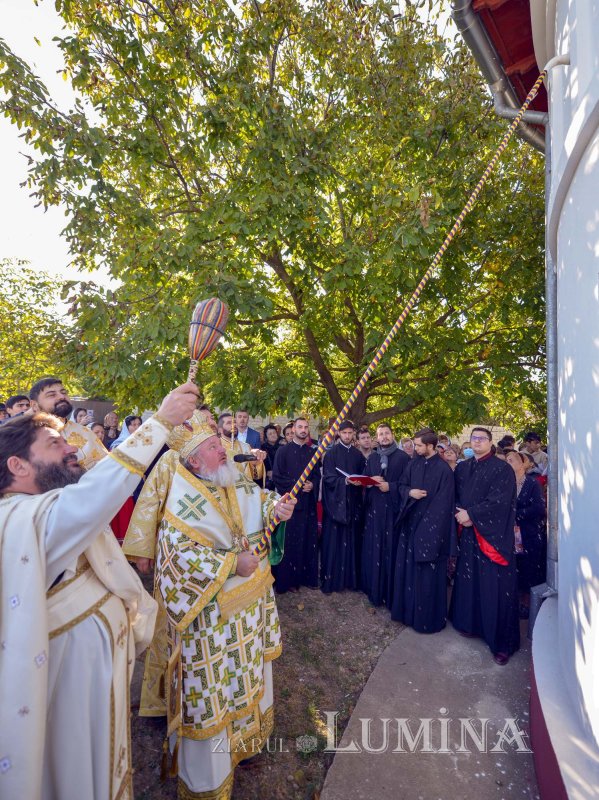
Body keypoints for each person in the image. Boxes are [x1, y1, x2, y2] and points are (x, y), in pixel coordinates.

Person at [0, 381, 198, 799]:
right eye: (55, 444)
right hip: (65, 691)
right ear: (18, 465)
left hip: (90, 690)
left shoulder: (46, 506)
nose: (71, 447)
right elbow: (95, 497)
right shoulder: (22, 519)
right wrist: (161, 422)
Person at [151, 412, 295, 799]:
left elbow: (261, 500)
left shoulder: (232, 479)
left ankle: (247, 745)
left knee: (248, 677)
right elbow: (175, 559)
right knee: (216, 692)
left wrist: (277, 509)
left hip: (248, 609)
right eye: (215, 447)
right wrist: (231, 562)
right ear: (194, 461)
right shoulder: (184, 500)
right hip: (211, 623)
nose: (225, 450)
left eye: (221, 443)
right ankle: (209, 777)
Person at [449, 426, 519, 665]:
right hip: (468, 535)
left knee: (494, 587)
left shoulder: (502, 469)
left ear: (491, 442)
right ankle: (470, 624)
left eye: (482, 439)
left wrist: (472, 515)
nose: (477, 442)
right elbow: (455, 496)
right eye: (474, 438)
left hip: (492, 537)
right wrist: (460, 514)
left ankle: (501, 642)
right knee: (470, 581)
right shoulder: (463, 468)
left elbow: (500, 503)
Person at [390, 429, 455, 632]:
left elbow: (444, 505)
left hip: (431, 532)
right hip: (410, 526)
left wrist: (427, 529)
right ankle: (406, 613)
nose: (415, 448)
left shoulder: (444, 471)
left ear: (431, 446)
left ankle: (426, 619)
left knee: (428, 576)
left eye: (419, 445)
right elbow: (401, 486)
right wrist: (410, 492)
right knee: (407, 572)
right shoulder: (413, 463)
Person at [361, 423, 410, 606]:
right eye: (380, 434)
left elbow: (408, 484)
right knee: (374, 549)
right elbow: (365, 479)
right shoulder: (373, 457)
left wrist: (391, 487)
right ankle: (373, 589)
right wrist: (370, 481)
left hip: (393, 512)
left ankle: (390, 592)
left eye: (387, 433)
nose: (384, 437)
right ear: (377, 437)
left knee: (391, 550)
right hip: (374, 511)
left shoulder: (403, 457)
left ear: (392, 434)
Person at [272, 418, 321, 592]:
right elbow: (277, 476)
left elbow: (316, 475)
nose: (303, 430)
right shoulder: (282, 451)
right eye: (300, 427)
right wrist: (298, 485)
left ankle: (306, 577)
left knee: (307, 540)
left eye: (306, 427)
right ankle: (288, 581)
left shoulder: (313, 453)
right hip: (290, 505)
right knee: (290, 543)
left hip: (308, 506)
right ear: (293, 429)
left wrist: (312, 484)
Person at [320, 420, 365, 593]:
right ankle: (332, 580)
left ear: (353, 434)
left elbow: (363, 476)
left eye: (350, 433)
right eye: (344, 433)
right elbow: (329, 479)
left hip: (353, 504)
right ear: (338, 433)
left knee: (352, 542)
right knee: (334, 543)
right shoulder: (331, 454)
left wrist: (360, 481)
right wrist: (344, 481)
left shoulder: (358, 455)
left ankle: (350, 580)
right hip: (336, 505)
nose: (347, 436)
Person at [30, 377, 107, 470]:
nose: (62, 397)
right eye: (51, 395)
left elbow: (106, 469)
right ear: (34, 405)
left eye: (63, 392)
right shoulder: (25, 435)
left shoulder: (86, 432)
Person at [506, 450, 547, 618]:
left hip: (528, 533)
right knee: (514, 567)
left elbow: (538, 508)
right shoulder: (505, 484)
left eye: (512, 460)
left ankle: (527, 605)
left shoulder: (532, 484)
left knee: (528, 569)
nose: (508, 463)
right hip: (510, 534)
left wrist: (515, 513)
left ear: (523, 464)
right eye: (506, 460)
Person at [218, 412, 266, 484]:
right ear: (220, 430)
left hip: (244, 490)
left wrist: (256, 462)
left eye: (234, 422)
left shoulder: (246, 446)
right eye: (229, 423)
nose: (233, 425)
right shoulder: (216, 447)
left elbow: (256, 476)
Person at [263, 423, 283, 490]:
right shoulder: (262, 448)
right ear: (266, 437)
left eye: (274, 433)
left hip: (281, 480)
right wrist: (266, 472)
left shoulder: (283, 447)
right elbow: (260, 464)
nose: (273, 435)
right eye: (270, 434)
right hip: (269, 481)